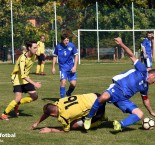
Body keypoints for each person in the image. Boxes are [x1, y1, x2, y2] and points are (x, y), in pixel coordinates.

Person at [84, 37, 155, 131]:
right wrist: (121, 44)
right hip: (117, 88)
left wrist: (151, 112)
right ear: (153, 75)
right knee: (103, 97)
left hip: (123, 99)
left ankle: (120, 125)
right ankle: (89, 118)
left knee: (140, 114)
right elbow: (131, 55)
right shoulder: (142, 69)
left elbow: (146, 101)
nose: (154, 83)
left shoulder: (145, 87)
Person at [0, 41, 42, 120]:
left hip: (26, 78)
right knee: (18, 97)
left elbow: (39, 54)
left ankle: (17, 104)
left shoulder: (33, 55)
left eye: (37, 47)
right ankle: (4, 114)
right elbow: (23, 76)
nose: (36, 49)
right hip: (17, 78)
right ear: (29, 48)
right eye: (35, 48)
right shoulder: (23, 58)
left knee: (34, 96)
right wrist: (35, 83)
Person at [31, 93, 108, 133]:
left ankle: (100, 120)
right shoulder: (59, 102)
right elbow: (49, 110)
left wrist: (50, 130)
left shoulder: (63, 116)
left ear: (52, 115)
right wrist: (36, 123)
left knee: (73, 125)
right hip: (95, 95)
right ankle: (101, 115)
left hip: (98, 106)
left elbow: (65, 131)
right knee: (78, 115)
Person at [52, 33, 78, 98]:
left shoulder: (72, 46)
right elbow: (55, 56)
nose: (66, 42)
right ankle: (62, 100)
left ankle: (68, 92)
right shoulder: (58, 47)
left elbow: (76, 56)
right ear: (62, 40)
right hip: (62, 68)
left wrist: (74, 67)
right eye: (65, 40)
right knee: (63, 83)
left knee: (73, 84)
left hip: (71, 68)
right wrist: (53, 67)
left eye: (67, 40)